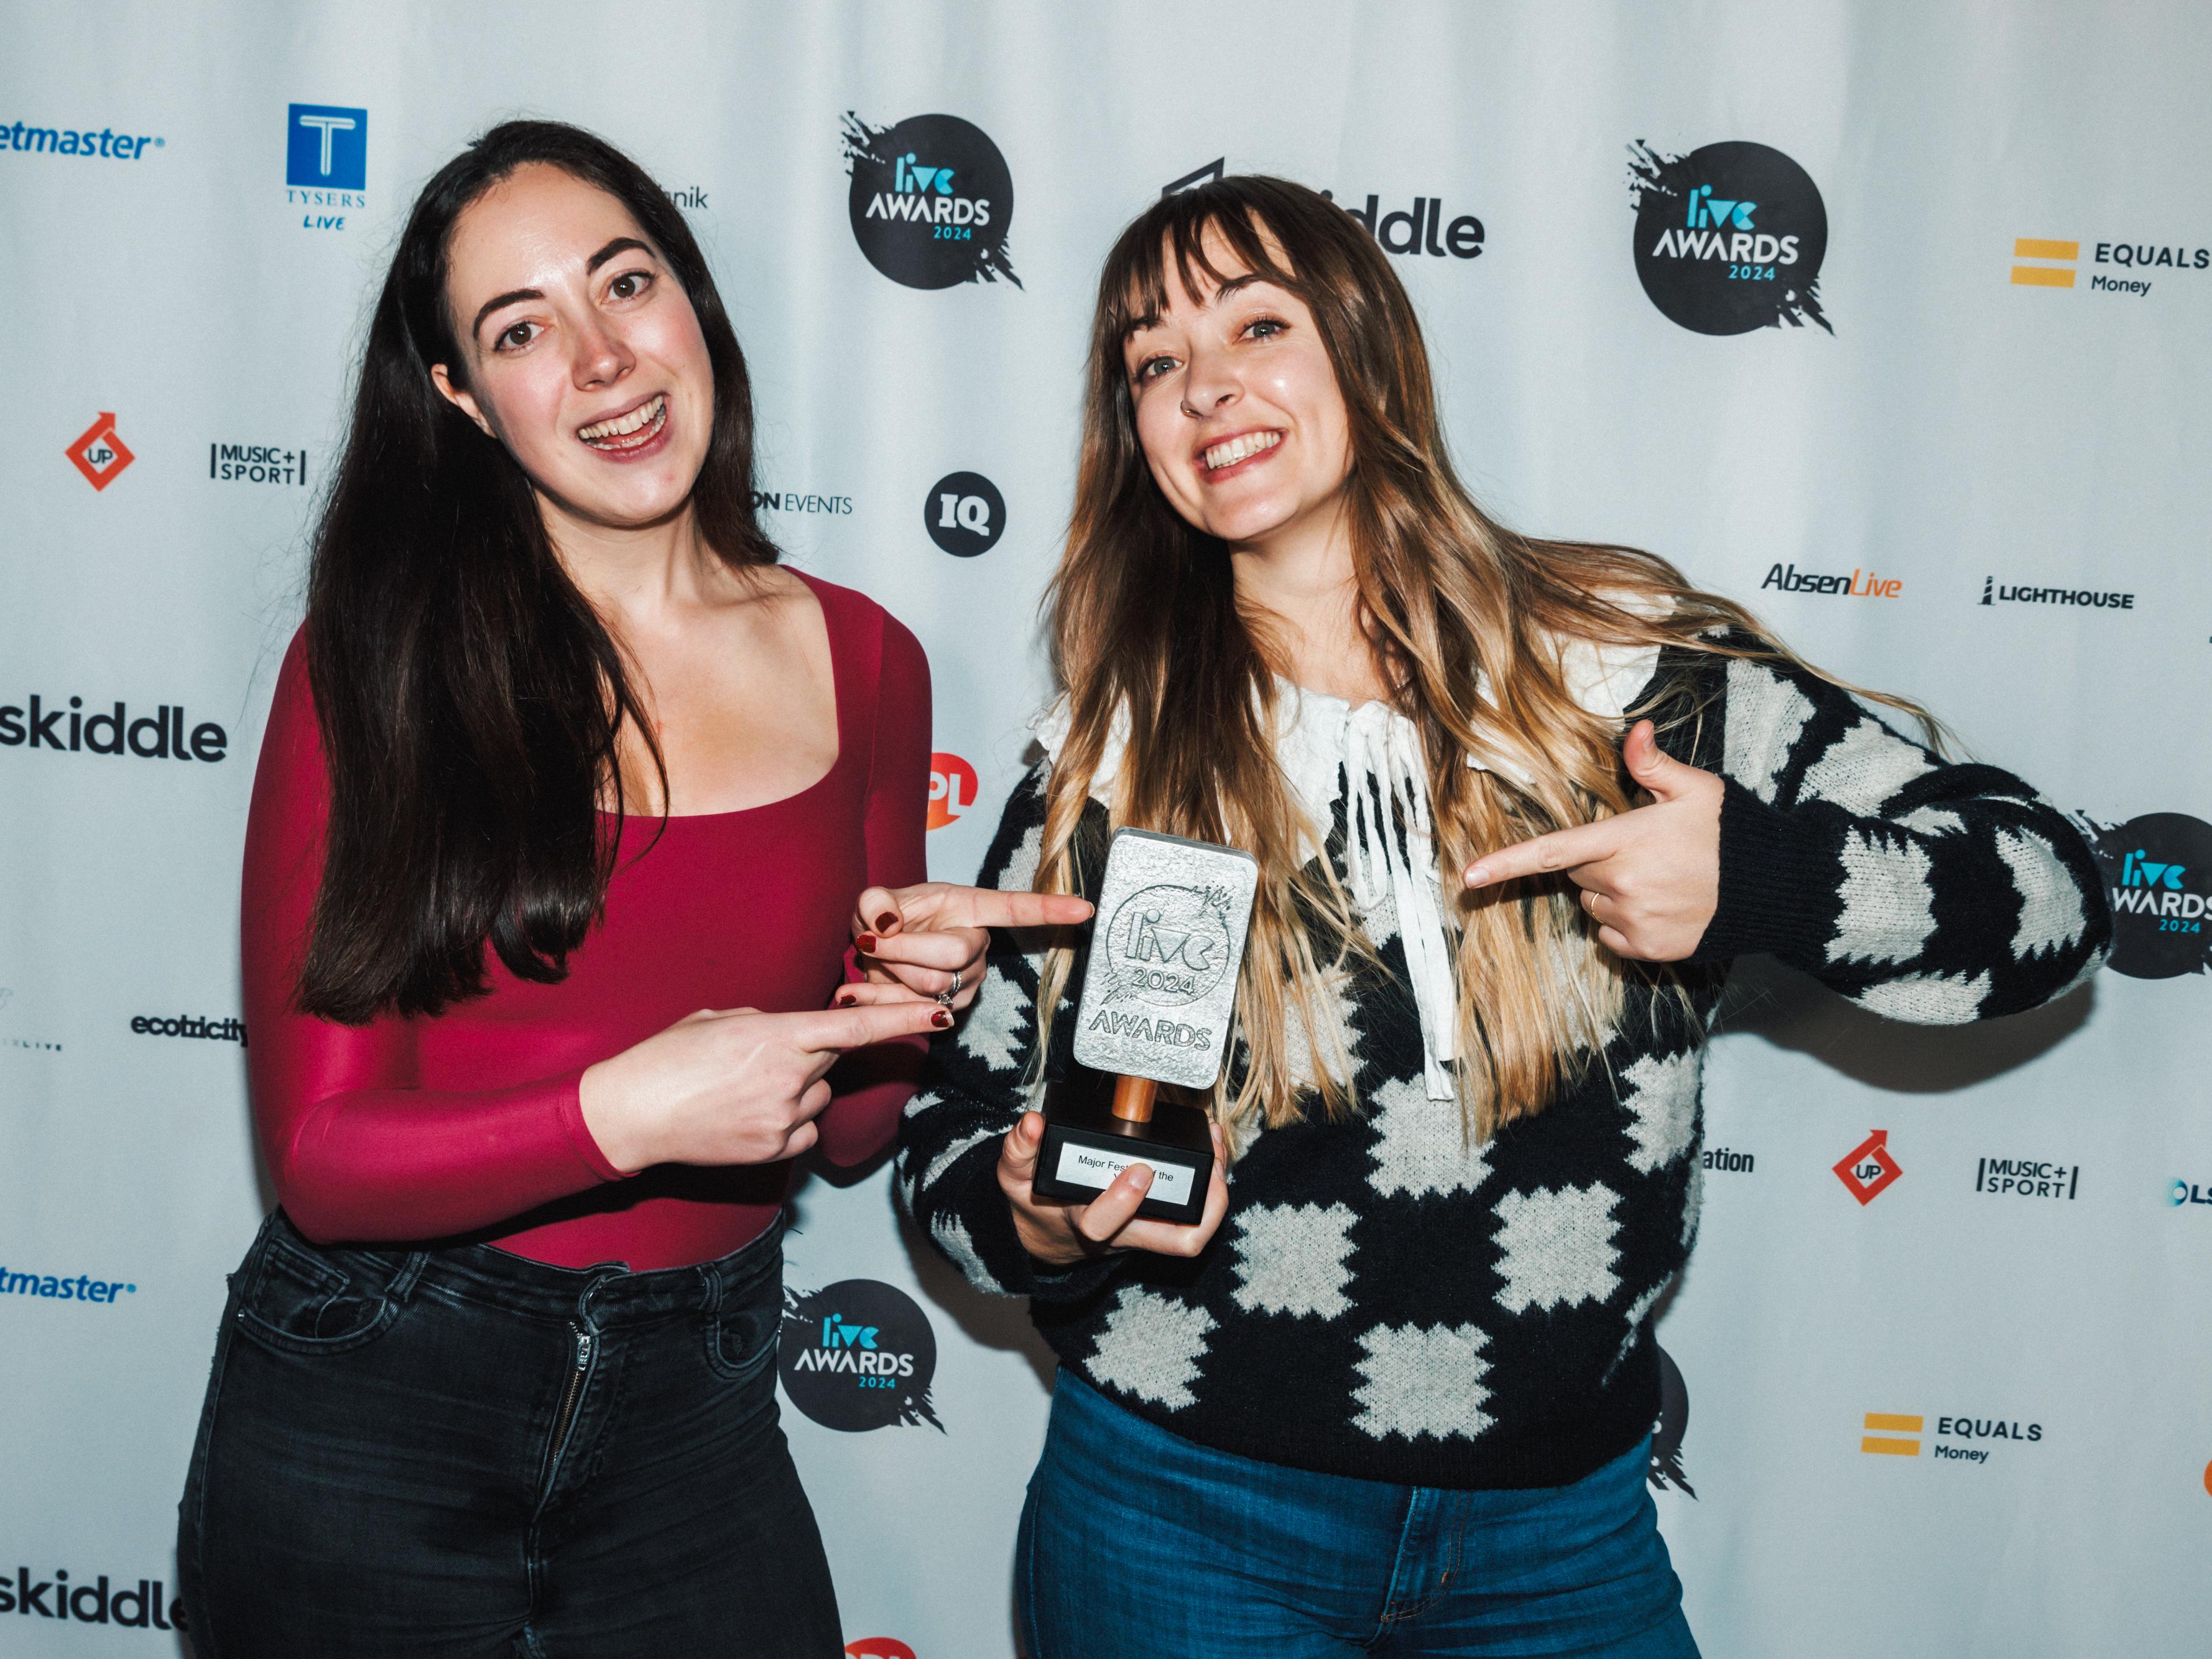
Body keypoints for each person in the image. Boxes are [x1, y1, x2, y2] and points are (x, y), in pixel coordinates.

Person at [899, 175, 2111, 1658]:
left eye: (1258, 325)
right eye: (1155, 361)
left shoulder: (1634, 675)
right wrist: (1030, 1215)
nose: (1204, 384)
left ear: (1369, 349)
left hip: (1560, 1536)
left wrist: (1759, 878)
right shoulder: (1113, 754)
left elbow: (2054, 895)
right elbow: (950, 1139)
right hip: (1180, 1518)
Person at [177, 121, 1085, 1659]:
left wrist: (900, 1002)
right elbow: (322, 1159)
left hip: (696, 1404)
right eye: (521, 329)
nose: (602, 357)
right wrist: (629, 1111)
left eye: (626, 281)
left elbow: (854, 1133)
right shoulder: (374, 659)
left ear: (692, 301)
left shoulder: (867, 656)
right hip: (378, 1399)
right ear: (461, 397)